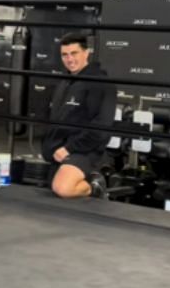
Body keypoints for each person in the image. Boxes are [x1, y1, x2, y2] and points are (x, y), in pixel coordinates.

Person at [42, 32, 117, 199]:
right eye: (65, 55)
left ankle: (95, 186)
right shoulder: (65, 82)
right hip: (61, 151)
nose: (69, 59)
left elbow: (101, 129)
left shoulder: (101, 84)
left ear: (86, 52)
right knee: (52, 193)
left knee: (63, 188)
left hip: (85, 150)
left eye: (74, 53)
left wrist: (69, 148)